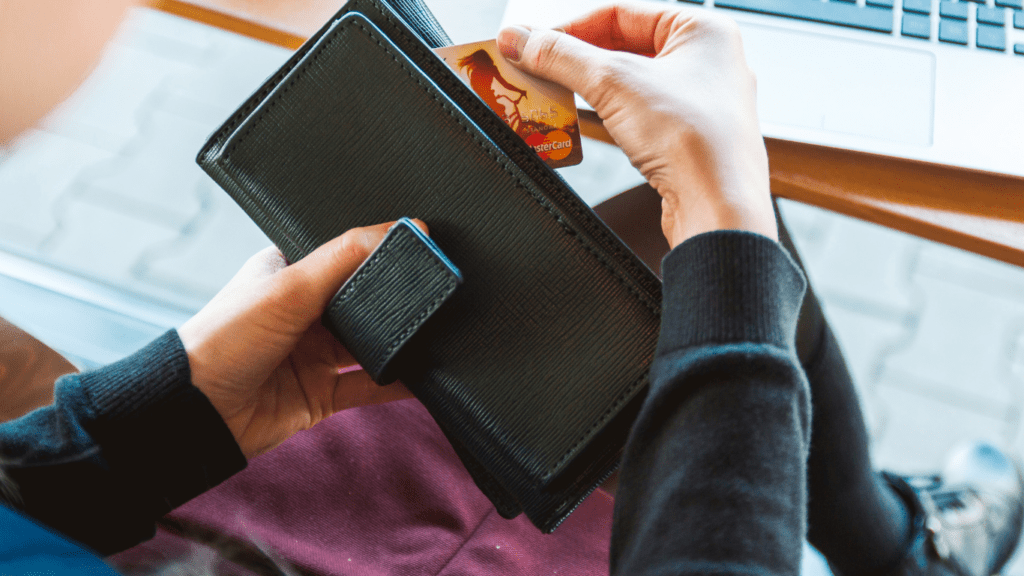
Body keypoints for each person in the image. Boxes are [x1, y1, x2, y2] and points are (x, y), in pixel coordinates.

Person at [0, 2, 1021, 576]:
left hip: (184, 499)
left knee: (666, 274)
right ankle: (901, 555)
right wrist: (726, 217)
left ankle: (893, 544)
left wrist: (154, 420)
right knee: (712, 274)